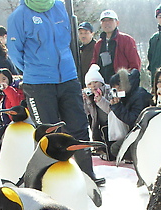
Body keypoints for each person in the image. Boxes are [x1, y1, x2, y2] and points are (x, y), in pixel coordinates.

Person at [7, 0, 100, 183]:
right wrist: (34, 69)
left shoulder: (59, 6)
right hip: (39, 83)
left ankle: (87, 176)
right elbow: (15, 52)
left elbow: (67, 40)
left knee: (79, 127)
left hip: (68, 77)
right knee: (47, 132)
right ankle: (49, 179)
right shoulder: (19, 15)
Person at [107, 68, 153, 160]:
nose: (117, 91)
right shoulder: (129, 95)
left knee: (116, 149)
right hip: (137, 133)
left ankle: (140, 157)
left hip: (146, 134)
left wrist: (118, 107)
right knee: (114, 148)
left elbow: (135, 120)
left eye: (118, 88)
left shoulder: (139, 95)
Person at [90, 9, 141, 83]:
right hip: (104, 85)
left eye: (110, 20)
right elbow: (94, 64)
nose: (107, 23)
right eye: (104, 21)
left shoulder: (126, 40)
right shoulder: (98, 44)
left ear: (117, 22)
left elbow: (135, 64)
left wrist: (130, 82)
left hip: (122, 84)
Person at [0, 68, 25, 143]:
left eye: (4, 79)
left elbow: (16, 105)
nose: (1, 82)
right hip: (2, 128)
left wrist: (8, 89)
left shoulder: (17, 91)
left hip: (15, 127)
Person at [82, 64, 112, 151]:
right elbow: (86, 113)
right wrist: (85, 101)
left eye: (95, 82)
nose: (93, 86)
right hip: (97, 127)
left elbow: (111, 110)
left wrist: (100, 100)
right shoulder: (88, 95)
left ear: (101, 82)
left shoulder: (108, 91)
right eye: (90, 84)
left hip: (109, 125)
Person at [78, 22, 96, 87]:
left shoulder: (97, 47)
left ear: (92, 34)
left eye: (86, 33)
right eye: (81, 33)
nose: (83, 36)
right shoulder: (78, 49)